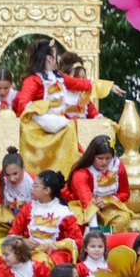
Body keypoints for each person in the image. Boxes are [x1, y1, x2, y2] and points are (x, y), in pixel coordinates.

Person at [13, 40, 100, 179]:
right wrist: (44, 113)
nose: (59, 58)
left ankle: (66, 178)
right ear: (49, 58)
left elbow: (81, 84)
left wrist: (107, 87)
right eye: (56, 54)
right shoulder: (33, 80)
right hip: (38, 130)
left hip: (59, 126)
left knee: (70, 127)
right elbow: (23, 105)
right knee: (69, 127)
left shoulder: (60, 77)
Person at [9, 171, 84, 273]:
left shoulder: (63, 212)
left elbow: (78, 240)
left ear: (47, 190)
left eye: (35, 186)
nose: (31, 189)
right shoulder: (29, 208)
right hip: (29, 250)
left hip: (52, 254)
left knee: (40, 263)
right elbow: (12, 233)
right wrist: (23, 242)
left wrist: (56, 245)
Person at [68, 137, 133, 235]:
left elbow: (124, 193)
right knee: (76, 220)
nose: (104, 162)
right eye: (100, 158)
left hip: (109, 206)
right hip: (83, 207)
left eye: (108, 158)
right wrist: (94, 230)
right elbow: (86, 200)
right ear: (92, 156)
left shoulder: (118, 167)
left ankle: (112, 246)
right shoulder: (81, 173)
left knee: (123, 219)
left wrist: (108, 200)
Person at [0, 149, 35, 243]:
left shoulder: (33, 182)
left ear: (23, 168)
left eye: (15, 174)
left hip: (27, 221)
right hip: (7, 219)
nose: (12, 179)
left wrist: (20, 221)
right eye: (8, 175)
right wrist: (9, 219)